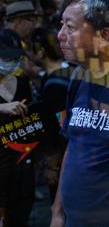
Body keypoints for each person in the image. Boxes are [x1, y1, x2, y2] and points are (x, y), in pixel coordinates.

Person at [50, 0, 109, 227]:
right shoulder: (80, 75)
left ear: (105, 35)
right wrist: (57, 212)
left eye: (70, 27)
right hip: (74, 219)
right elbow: (73, 143)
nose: (60, 35)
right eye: (62, 25)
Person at [29, 27, 71, 202]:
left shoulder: (55, 85)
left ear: (41, 52)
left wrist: (54, 161)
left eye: (32, 49)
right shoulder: (65, 72)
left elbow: (62, 125)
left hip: (62, 159)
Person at [0, 29, 35, 226]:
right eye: (5, 58)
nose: (10, 63)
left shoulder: (22, 82)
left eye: (14, 58)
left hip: (21, 162)